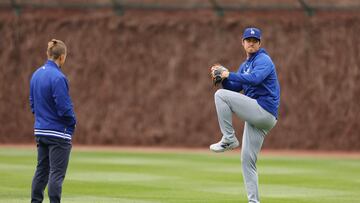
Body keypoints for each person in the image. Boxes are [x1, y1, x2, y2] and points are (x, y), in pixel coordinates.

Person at [210, 27, 280, 203]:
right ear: (242, 43)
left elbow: (255, 79)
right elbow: (235, 88)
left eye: (254, 41)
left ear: (259, 44)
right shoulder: (245, 65)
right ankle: (253, 201)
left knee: (220, 97)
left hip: (263, 110)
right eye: (248, 40)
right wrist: (223, 80)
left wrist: (229, 73)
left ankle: (229, 138)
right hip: (258, 116)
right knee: (247, 161)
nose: (251, 43)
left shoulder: (263, 59)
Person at [29, 39, 76, 203]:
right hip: (58, 133)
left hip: (41, 130)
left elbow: (32, 103)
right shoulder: (59, 77)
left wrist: (41, 119)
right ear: (62, 57)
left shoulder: (36, 74)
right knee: (56, 173)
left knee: (41, 171)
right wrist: (72, 121)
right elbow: (64, 108)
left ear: (48, 54)